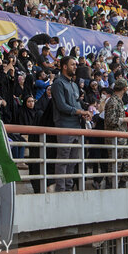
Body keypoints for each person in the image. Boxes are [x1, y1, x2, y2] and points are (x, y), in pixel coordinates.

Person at [51, 56, 92, 192]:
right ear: (64, 66)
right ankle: (61, 188)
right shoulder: (58, 83)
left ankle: (68, 187)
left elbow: (76, 103)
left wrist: (85, 112)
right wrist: (80, 111)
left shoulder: (74, 85)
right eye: (72, 64)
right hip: (64, 126)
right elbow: (62, 106)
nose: (75, 67)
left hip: (77, 126)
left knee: (73, 160)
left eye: (75, 64)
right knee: (63, 158)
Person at [104, 78, 128, 188]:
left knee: (126, 162)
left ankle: (122, 184)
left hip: (122, 138)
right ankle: (111, 186)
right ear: (124, 88)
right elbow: (110, 121)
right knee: (115, 164)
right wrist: (124, 120)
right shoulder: (113, 101)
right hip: (115, 139)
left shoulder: (119, 101)